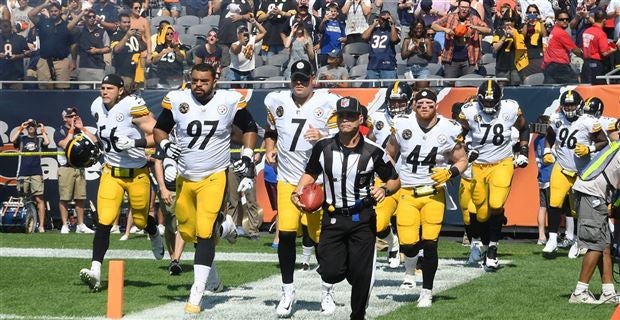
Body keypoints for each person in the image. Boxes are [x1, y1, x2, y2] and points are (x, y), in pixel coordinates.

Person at [153, 63, 258, 315]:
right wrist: (166, 145)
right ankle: (227, 227)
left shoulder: (229, 100)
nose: (198, 85)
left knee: (203, 231)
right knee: (188, 232)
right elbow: (159, 129)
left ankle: (196, 293)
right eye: (195, 80)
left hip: (214, 176)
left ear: (215, 82)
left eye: (204, 81)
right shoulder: (177, 99)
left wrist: (246, 154)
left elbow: (251, 127)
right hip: (186, 177)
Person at [292, 96, 400, 318]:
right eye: (341, 116)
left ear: (360, 118)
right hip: (332, 216)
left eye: (350, 116)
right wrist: (297, 191)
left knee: (360, 274)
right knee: (330, 272)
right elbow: (310, 173)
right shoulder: (323, 147)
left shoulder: (374, 151)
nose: (345, 120)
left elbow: (394, 180)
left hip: (362, 216)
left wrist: (384, 190)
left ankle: (357, 315)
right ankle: (350, 270)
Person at [263, 59, 339, 318]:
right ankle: (287, 291)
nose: (299, 83)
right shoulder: (276, 101)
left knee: (321, 240)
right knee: (285, 236)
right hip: (287, 180)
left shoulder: (328, 101)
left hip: (318, 182)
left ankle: (327, 291)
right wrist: (270, 147)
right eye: (295, 78)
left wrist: (324, 136)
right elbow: (271, 130)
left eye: (304, 79)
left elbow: (348, 136)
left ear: (313, 79)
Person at [77, 74, 165, 292]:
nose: (104, 91)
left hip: (137, 173)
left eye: (109, 88)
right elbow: (105, 135)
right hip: (111, 172)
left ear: (121, 90)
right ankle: (95, 270)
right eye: (102, 87)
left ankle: (153, 233)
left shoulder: (132, 106)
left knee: (141, 221)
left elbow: (159, 134)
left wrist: (135, 142)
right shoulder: (97, 105)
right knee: (104, 221)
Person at [384, 89, 467, 307]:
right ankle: (411, 266)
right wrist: (392, 177)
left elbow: (461, 160)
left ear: (436, 105)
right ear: (414, 105)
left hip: (433, 193)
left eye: (429, 103)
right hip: (408, 193)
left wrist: (450, 173)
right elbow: (389, 154)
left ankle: (427, 292)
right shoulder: (402, 124)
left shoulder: (449, 128)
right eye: (420, 103)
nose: (424, 106)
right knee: (409, 246)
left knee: (430, 244)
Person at [458, 80, 530, 270]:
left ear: (500, 99)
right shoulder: (469, 111)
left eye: (493, 101)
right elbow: (458, 136)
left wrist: (523, 152)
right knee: (481, 214)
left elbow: (524, 127)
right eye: (486, 101)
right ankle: (484, 245)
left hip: (502, 163)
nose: (489, 105)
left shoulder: (510, 109)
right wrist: (466, 149)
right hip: (479, 166)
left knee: (496, 204)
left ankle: (492, 250)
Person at [542, 90, 609, 256]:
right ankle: (552, 239)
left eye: (572, 105)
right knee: (554, 203)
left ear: (579, 105)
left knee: (578, 211)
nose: (569, 108)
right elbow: (549, 136)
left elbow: (603, 141)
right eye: (566, 105)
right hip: (562, 167)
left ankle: (578, 241)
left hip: (581, 172)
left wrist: (589, 148)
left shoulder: (588, 121)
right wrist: (547, 151)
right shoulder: (557, 119)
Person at [369, 82, 414, 269]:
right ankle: (392, 242)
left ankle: (415, 263)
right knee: (378, 224)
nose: (396, 106)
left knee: (410, 223)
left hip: (411, 178)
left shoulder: (416, 118)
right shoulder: (378, 117)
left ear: (409, 101)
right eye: (393, 102)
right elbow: (370, 141)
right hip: (385, 177)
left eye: (400, 102)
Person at [569, 142, 620, 304]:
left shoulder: (617, 145)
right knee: (595, 244)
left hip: (591, 192)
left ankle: (608, 292)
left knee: (604, 244)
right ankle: (579, 292)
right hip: (592, 194)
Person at [55, 107, 96, 234]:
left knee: (80, 197)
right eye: (70, 115)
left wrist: (82, 128)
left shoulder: (80, 130)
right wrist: (72, 130)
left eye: (75, 115)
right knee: (65, 198)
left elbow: (95, 141)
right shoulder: (59, 131)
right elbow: (64, 145)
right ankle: (65, 225)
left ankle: (80, 225)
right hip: (66, 167)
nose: (73, 117)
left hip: (79, 167)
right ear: (65, 118)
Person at [431, 0, 490, 81]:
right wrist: (445, 29)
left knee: (468, 85)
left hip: (469, 60)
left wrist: (475, 27)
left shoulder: (474, 18)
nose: (464, 9)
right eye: (462, 7)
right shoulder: (450, 17)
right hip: (451, 60)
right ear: (458, 7)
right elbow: (433, 25)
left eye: (466, 7)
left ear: (469, 8)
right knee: (449, 84)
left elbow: (488, 30)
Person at [10, 119, 49, 233]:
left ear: (36, 127)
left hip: (36, 172)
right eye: (29, 126)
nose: (31, 127)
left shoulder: (40, 139)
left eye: (33, 126)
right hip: (23, 172)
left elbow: (47, 142)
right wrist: (21, 128)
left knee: (39, 199)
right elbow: (12, 140)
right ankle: (21, 224)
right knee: (22, 198)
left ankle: (41, 226)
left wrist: (42, 131)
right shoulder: (22, 139)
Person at [28, 0, 76, 89]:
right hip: (44, 61)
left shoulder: (66, 26)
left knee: (62, 91)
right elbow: (30, 14)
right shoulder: (43, 22)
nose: (53, 13)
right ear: (49, 12)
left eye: (56, 11)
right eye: (51, 11)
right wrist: (44, 4)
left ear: (60, 11)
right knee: (44, 91)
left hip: (62, 61)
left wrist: (73, 60)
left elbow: (73, 45)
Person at [542, 10, 582, 84]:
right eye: (561, 19)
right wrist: (584, 52)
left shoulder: (554, 30)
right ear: (557, 20)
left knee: (550, 91)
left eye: (567, 19)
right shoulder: (561, 33)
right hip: (559, 65)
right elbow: (576, 51)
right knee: (574, 85)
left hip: (549, 66)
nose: (564, 21)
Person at [362, 10, 400, 87]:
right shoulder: (374, 30)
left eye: (387, 19)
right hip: (373, 65)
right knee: (373, 92)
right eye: (382, 19)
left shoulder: (393, 30)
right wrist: (374, 24)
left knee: (388, 90)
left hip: (388, 66)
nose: (384, 21)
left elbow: (394, 39)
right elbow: (364, 37)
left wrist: (392, 24)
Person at [110, 13, 147, 90]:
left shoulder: (134, 34)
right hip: (124, 74)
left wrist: (140, 39)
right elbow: (116, 50)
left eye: (128, 22)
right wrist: (127, 36)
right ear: (119, 23)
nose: (127, 24)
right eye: (124, 22)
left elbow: (143, 48)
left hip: (138, 73)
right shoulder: (116, 35)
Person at [75, 9, 111, 88]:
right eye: (89, 16)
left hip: (98, 68)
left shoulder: (102, 31)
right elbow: (69, 27)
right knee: (83, 95)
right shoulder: (79, 30)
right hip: (84, 67)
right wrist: (81, 14)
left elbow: (108, 48)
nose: (91, 18)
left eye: (93, 16)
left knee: (99, 94)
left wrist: (97, 50)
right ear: (85, 18)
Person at [581, 10, 618, 85]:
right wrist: (616, 49)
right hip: (597, 65)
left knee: (586, 87)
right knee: (598, 88)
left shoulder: (586, 31)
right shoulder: (601, 34)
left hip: (585, 64)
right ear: (604, 20)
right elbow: (605, 53)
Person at [532, 114, 553, 245]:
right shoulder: (548, 139)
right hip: (550, 176)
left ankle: (541, 236)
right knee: (552, 208)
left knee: (542, 207)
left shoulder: (535, 140)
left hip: (541, 177)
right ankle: (552, 236)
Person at [229, 21, 267, 87]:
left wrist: (255, 22)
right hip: (236, 71)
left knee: (249, 92)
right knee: (235, 93)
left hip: (248, 71)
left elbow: (264, 32)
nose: (244, 33)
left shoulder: (252, 40)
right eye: (241, 32)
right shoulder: (234, 44)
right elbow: (236, 51)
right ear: (238, 35)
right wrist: (241, 43)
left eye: (245, 32)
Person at [401, 19, 432, 86]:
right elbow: (403, 56)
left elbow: (430, 56)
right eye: (417, 28)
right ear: (413, 28)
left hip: (423, 69)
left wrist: (422, 51)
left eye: (421, 28)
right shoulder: (407, 40)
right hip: (409, 69)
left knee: (422, 90)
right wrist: (412, 50)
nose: (419, 30)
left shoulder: (427, 40)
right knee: (409, 91)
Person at [0, 18, 29, 89]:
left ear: (11, 27)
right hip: (1, 75)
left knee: (17, 98)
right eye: (3, 26)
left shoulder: (20, 38)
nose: (5, 28)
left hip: (16, 75)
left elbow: (28, 53)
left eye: (7, 26)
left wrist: (17, 56)